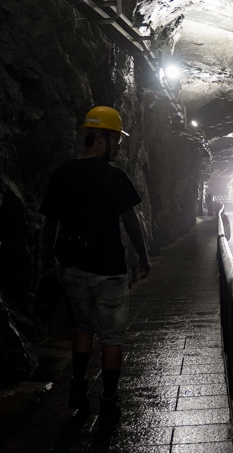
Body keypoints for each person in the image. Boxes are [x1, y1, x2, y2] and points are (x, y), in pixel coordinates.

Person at [39, 106, 151, 423]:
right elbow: (131, 222)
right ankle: (109, 399)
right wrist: (142, 258)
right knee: (112, 337)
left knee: (82, 328)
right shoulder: (114, 177)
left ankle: (78, 386)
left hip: (73, 268)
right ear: (100, 139)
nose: (118, 147)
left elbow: (50, 224)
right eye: (116, 140)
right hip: (110, 270)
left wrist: (48, 262)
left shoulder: (62, 174)